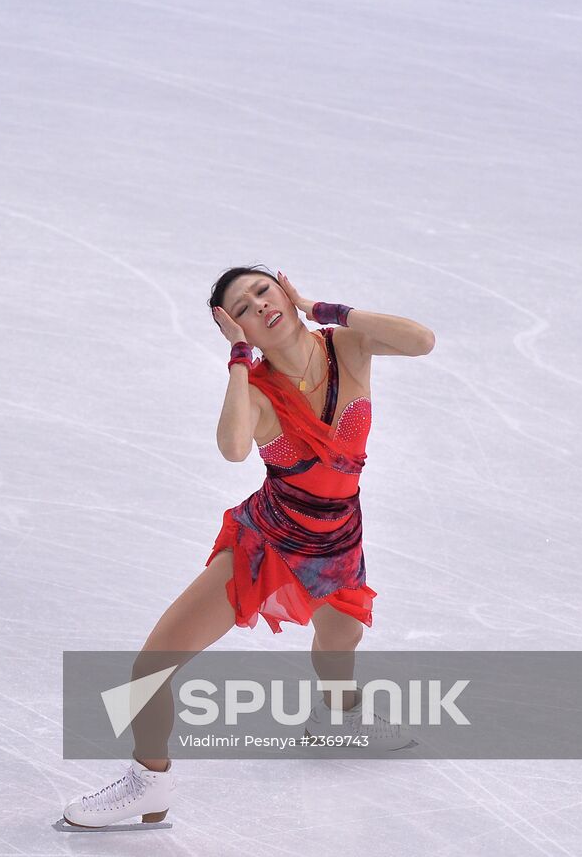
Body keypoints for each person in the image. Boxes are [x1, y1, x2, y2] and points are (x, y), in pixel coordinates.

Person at [59, 265, 435, 830]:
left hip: (337, 540)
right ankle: (148, 782)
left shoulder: (348, 346)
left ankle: (337, 718)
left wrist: (322, 307)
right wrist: (238, 361)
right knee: (151, 666)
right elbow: (234, 448)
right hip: (270, 543)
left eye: (264, 290)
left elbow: (422, 341)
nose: (260, 305)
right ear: (237, 329)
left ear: (284, 289)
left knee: (340, 639)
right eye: (243, 309)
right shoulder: (257, 393)